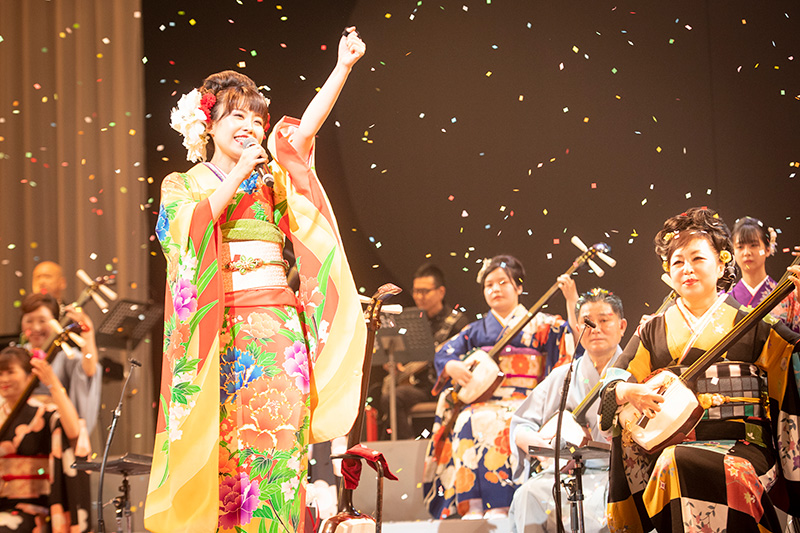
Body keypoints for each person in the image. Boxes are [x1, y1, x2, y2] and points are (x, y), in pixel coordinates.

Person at [145, 28, 368, 533]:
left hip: (277, 329)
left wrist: (343, 68)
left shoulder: (270, 179)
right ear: (208, 125)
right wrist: (238, 172)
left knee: (279, 444)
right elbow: (184, 233)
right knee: (230, 446)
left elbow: (302, 133)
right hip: (224, 331)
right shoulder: (183, 184)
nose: (249, 126)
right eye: (235, 116)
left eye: (254, 116)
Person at [597, 207, 800, 532]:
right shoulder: (653, 330)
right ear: (667, 270)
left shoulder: (755, 323)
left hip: (744, 444)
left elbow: (795, 359)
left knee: (707, 467)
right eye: (678, 262)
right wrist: (628, 391)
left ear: (721, 263)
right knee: (673, 460)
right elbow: (611, 383)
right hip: (673, 446)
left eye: (697, 259)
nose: (687, 269)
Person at [422, 255, 568, 520]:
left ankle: (507, 503)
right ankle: (473, 504)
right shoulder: (475, 330)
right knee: (467, 419)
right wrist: (452, 366)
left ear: (519, 287)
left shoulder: (543, 324)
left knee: (505, 421)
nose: (495, 289)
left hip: (527, 400)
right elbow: (444, 352)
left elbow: (571, 339)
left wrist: (570, 300)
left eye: (503, 282)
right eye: (489, 285)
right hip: (483, 400)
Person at [508, 287, 627, 533]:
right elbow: (521, 425)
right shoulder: (563, 376)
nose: (595, 328)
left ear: (622, 326)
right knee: (528, 495)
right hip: (568, 473)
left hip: (619, 473)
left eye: (604, 320)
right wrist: (544, 448)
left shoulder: (637, 371)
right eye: (588, 322)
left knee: (611, 506)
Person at [0, 345, 89, 532]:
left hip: (34, 509)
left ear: (29, 376)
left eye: (10, 372)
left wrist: (53, 384)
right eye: (0, 373)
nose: (3, 379)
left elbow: (73, 432)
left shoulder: (45, 413)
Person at [379, 263, 470, 439]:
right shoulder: (410, 321)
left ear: (441, 292)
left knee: (394, 397)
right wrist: (395, 362)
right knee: (383, 394)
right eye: (416, 291)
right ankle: (397, 449)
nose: (419, 297)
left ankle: (409, 448)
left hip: (445, 386)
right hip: (419, 387)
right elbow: (402, 356)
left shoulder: (458, 323)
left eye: (425, 291)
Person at [20, 293, 101, 434]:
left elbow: (89, 370)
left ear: (56, 322)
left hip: (54, 428)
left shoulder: (66, 355)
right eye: (29, 321)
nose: (36, 327)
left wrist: (88, 333)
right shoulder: (17, 355)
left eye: (43, 321)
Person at [729, 216, 800, 332]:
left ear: (768, 249)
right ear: (733, 252)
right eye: (740, 247)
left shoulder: (790, 297)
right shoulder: (725, 300)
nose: (747, 252)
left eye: (754, 245)